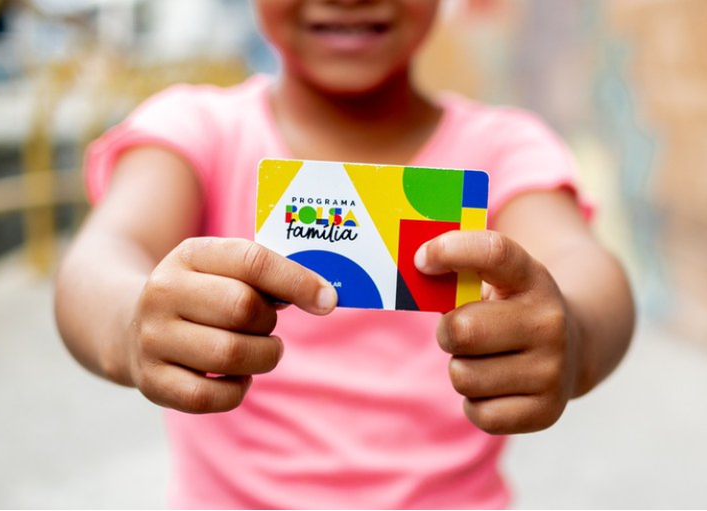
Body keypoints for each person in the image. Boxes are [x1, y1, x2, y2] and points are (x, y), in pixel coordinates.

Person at [54, 0, 635, 508]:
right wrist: (131, 321)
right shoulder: (196, 129)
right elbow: (102, 255)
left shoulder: (506, 149)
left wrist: (576, 333)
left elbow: (585, 266)